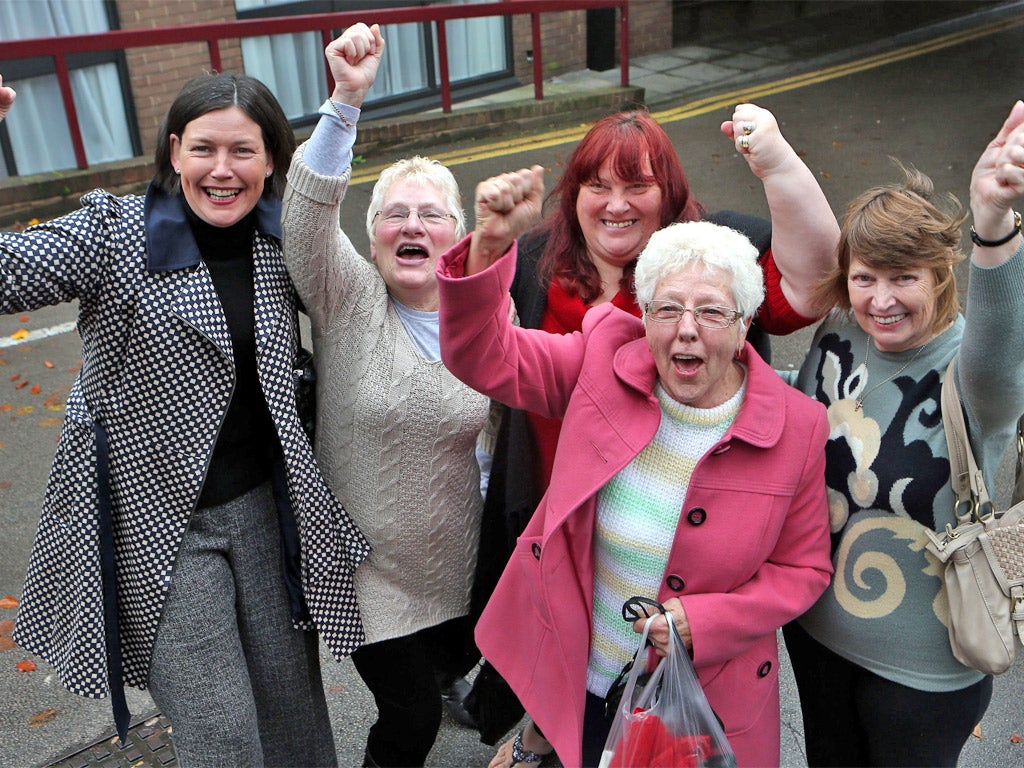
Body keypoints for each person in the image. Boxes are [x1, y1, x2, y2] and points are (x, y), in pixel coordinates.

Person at [0, 71, 370, 766]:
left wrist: (346, 101)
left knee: (293, 716)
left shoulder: (281, 237)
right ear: (175, 153)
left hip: (263, 508)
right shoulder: (113, 234)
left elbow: (372, 299)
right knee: (220, 731)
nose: (222, 170)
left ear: (270, 161)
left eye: (243, 151)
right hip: (156, 524)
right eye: (203, 149)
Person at [434, 156, 837, 766]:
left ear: (746, 321)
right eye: (667, 308)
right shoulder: (602, 360)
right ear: (642, 315)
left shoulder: (798, 427)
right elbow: (484, 356)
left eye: (711, 311)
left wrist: (708, 620)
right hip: (589, 682)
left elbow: (803, 570)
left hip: (707, 707)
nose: (687, 330)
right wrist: (489, 248)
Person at [780, 101, 1024, 767]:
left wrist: (995, 225)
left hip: (924, 676)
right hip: (815, 636)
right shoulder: (838, 336)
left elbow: (1005, 337)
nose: (881, 299)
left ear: (940, 276)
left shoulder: (974, 372)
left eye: (904, 278)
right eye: (865, 277)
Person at [280, 24, 492, 767]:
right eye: (393, 215)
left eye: (431, 213)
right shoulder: (348, 299)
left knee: (453, 673)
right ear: (369, 241)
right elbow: (306, 217)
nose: (412, 224)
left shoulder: (492, 311)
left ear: (457, 235)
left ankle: (462, 686)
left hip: (465, 561)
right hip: (369, 572)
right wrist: (345, 102)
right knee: (407, 718)